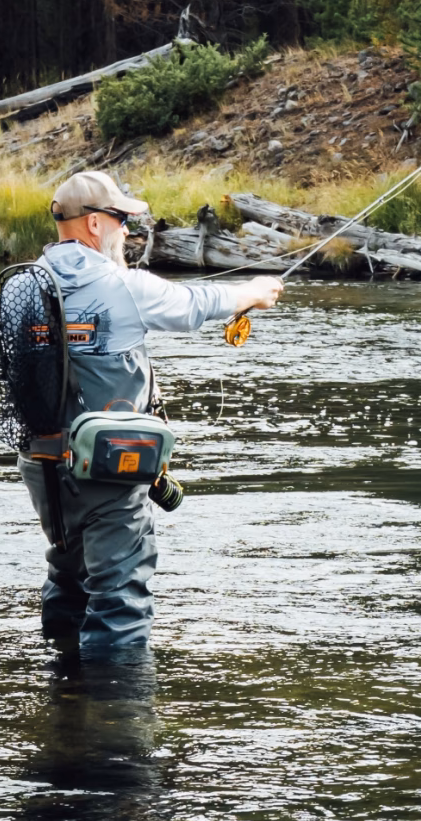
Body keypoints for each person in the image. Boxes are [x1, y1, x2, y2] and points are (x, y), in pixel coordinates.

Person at [20, 168, 282, 667]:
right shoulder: (122, 285)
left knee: (67, 574)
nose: (127, 230)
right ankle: (113, 727)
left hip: (41, 462)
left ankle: (62, 686)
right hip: (106, 467)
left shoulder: (30, 281)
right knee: (120, 599)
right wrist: (253, 292)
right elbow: (192, 305)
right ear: (94, 224)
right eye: (120, 218)